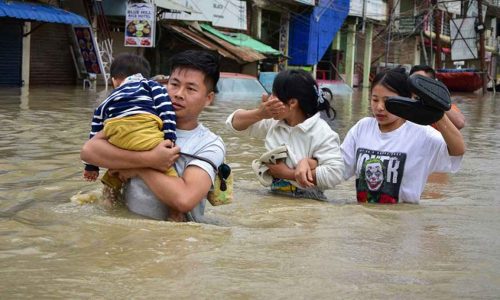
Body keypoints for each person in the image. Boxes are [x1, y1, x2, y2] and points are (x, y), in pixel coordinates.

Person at [80, 50, 225, 222]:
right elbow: (89, 151)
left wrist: (139, 167)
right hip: (126, 232)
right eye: (174, 84)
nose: (178, 93)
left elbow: (184, 199)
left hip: (172, 240)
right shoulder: (142, 119)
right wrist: (149, 158)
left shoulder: (209, 144)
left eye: (191, 88)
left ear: (208, 98)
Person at [340, 68, 465, 204]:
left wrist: (438, 114)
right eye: (375, 100)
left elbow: (457, 150)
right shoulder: (362, 128)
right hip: (365, 220)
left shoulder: (421, 134)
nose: (380, 107)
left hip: (403, 221)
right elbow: (338, 168)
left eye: (387, 101)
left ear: (405, 100)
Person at [225, 69, 344, 200]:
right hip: (275, 196)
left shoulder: (322, 132)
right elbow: (232, 123)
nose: (269, 99)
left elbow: (335, 173)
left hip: (309, 201)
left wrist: (288, 174)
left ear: (292, 103)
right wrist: (260, 113)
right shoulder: (273, 123)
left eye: (274, 95)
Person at [82, 53, 178, 214]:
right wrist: (170, 137)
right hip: (146, 136)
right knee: (172, 178)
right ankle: (176, 214)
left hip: (118, 137)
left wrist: (91, 167)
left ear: (114, 80)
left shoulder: (108, 99)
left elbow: (95, 129)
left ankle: (108, 200)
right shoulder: (152, 86)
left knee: (114, 169)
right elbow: (166, 109)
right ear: (147, 76)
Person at [409, 65, 465, 130]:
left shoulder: (443, 105)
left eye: (421, 81)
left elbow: (459, 123)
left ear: (432, 84)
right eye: (413, 80)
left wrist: (434, 100)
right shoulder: (404, 102)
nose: (416, 85)